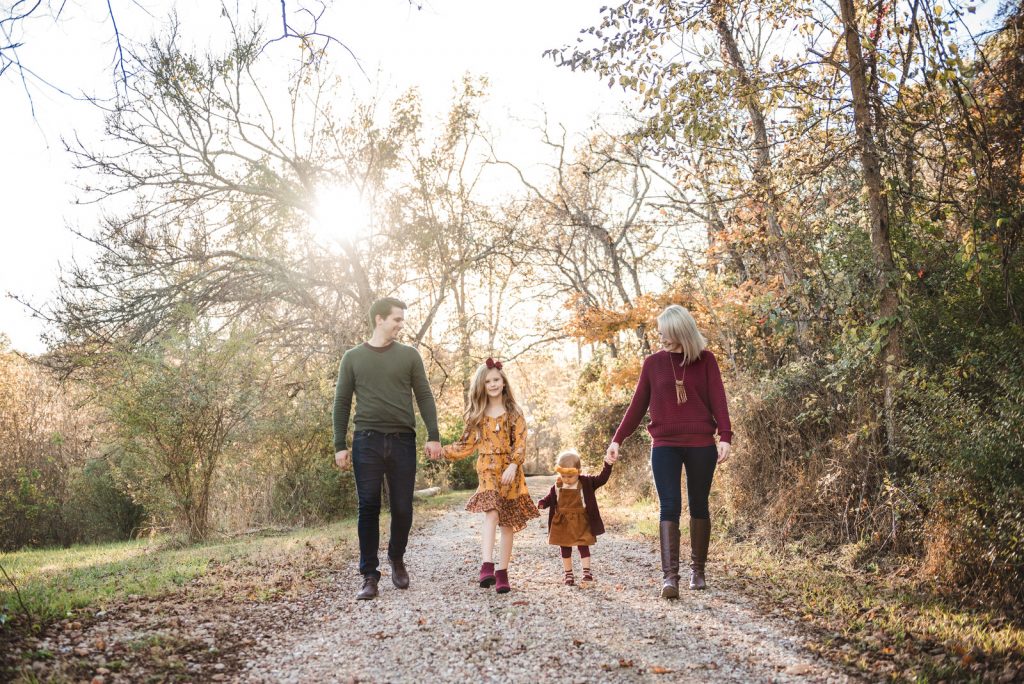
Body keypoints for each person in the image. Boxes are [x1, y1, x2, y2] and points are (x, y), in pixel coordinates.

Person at [606, 304, 732, 598]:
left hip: (701, 444)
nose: (660, 336)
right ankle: (669, 578)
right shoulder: (653, 364)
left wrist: (725, 436)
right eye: (659, 331)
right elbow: (637, 407)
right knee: (670, 505)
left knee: (699, 504)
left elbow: (719, 401)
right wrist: (617, 439)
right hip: (664, 445)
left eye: (665, 331)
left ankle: (697, 571)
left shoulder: (707, 361)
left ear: (679, 331)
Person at [333, 297, 442, 600]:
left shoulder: (409, 356)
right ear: (379, 319)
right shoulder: (353, 358)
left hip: (402, 440)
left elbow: (424, 396)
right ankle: (369, 575)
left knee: (403, 507)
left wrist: (433, 435)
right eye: (396, 319)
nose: (400, 325)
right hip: (366, 441)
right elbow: (341, 403)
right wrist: (339, 444)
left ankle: (397, 556)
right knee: (368, 507)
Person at [441, 358, 539, 594]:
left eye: (496, 380)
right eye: (487, 381)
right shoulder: (478, 414)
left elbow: (521, 442)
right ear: (481, 386)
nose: (493, 384)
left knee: (507, 522)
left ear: (503, 382)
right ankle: (487, 565)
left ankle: (502, 572)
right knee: (492, 512)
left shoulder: (514, 412)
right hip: (487, 468)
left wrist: (514, 465)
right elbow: (465, 445)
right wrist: (441, 451)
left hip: (509, 470)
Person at [537, 449, 613, 586]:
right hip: (562, 522)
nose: (566, 479)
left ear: (578, 471)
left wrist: (607, 465)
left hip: (581, 521)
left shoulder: (587, 482)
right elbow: (551, 497)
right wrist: (543, 502)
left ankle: (586, 572)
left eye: (570, 476)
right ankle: (568, 573)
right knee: (565, 547)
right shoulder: (558, 485)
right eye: (563, 476)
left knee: (583, 545)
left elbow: (602, 478)